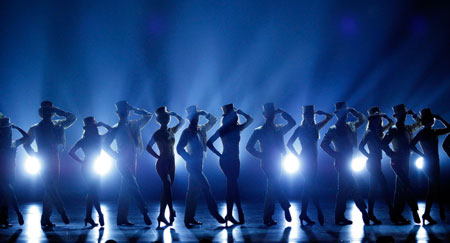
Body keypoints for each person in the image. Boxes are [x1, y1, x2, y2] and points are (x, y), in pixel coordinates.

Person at [24, 101, 75, 228]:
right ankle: (62, 211)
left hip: (55, 159)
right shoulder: (35, 128)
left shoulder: (58, 125)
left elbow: (72, 118)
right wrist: (34, 155)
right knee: (50, 187)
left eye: (50, 111)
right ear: (42, 113)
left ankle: (45, 219)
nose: (48, 113)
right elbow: (26, 144)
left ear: (52, 113)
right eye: (45, 111)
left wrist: (59, 111)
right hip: (43, 160)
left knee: (50, 189)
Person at [320, 102, 371, 225]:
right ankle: (364, 212)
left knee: (342, 191)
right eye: (342, 112)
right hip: (341, 163)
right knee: (353, 187)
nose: (345, 115)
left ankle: (339, 217)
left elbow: (363, 119)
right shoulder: (333, 129)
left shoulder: (351, 126)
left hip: (349, 161)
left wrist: (353, 111)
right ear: (337, 114)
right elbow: (323, 144)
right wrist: (335, 154)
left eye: (345, 112)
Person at [104, 100, 152, 226]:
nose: (124, 112)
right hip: (122, 161)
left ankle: (121, 219)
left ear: (128, 112)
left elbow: (148, 116)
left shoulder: (134, 124)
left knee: (126, 189)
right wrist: (116, 156)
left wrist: (134, 108)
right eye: (122, 111)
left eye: (126, 110)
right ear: (118, 113)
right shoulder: (116, 128)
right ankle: (145, 213)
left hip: (133, 159)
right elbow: (105, 145)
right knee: (133, 186)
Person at [246, 103, 295, 226]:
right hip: (267, 163)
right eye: (270, 113)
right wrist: (260, 155)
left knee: (272, 189)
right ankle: (285, 206)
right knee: (274, 185)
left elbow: (292, 123)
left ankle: (267, 218)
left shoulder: (278, 129)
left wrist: (282, 112)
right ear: (265, 115)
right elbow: (249, 147)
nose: (272, 116)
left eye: (273, 113)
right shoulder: (259, 131)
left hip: (279, 162)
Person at [176, 105, 225, 228]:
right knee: (206, 187)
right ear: (190, 119)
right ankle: (215, 214)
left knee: (193, 192)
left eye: (197, 117)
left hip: (199, 163)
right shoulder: (186, 132)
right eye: (194, 117)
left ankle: (189, 218)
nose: (196, 119)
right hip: (193, 165)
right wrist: (189, 158)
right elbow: (179, 148)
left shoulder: (201, 129)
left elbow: (213, 121)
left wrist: (204, 113)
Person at [207, 104, 254, 225]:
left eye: (235, 114)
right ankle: (239, 211)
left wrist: (242, 112)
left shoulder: (237, 128)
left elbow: (251, 120)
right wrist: (220, 155)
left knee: (231, 188)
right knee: (234, 186)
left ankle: (229, 215)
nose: (235, 116)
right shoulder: (223, 130)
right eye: (233, 114)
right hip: (227, 160)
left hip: (235, 160)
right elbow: (209, 143)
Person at [287, 105, 332, 226]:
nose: (309, 117)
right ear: (304, 116)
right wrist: (298, 156)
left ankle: (303, 214)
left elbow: (330, 117)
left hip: (313, 161)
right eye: (307, 115)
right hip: (305, 160)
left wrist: (321, 113)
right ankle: (318, 211)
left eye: (311, 115)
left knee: (307, 188)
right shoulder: (300, 129)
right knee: (311, 186)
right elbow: (289, 144)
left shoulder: (316, 128)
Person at [69, 117, 112, 227]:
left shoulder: (94, 139)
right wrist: (103, 124)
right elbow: (71, 152)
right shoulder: (94, 139)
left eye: (95, 126)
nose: (95, 128)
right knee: (93, 192)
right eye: (94, 126)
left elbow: (71, 152)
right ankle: (100, 214)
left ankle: (88, 217)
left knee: (91, 192)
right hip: (90, 166)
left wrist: (82, 161)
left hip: (92, 166)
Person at [381, 104, 421, 224]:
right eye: (401, 113)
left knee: (401, 188)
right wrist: (392, 154)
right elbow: (383, 144)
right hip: (397, 162)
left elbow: (420, 123)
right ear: (397, 115)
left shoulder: (407, 128)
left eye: (404, 113)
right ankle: (414, 210)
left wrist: (413, 114)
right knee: (406, 185)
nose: (403, 115)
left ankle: (396, 215)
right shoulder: (393, 129)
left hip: (406, 162)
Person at [146, 106, 185, 228]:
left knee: (166, 190)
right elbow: (148, 147)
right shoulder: (157, 134)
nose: (166, 118)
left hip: (172, 163)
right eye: (163, 117)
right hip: (162, 163)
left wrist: (174, 114)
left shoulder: (171, 131)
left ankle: (161, 215)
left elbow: (182, 122)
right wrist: (158, 157)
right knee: (167, 185)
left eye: (167, 116)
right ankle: (171, 210)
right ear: (159, 119)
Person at [410, 108, 450, 225]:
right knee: (434, 188)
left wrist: (440, 118)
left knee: (432, 189)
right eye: (431, 119)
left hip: (433, 162)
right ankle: (430, 213)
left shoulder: (433, 132)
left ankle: (427, 214)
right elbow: (411, 145)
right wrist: (422, 155)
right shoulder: (424, 133)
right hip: (429, 163)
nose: (433, 120)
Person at [358, 106, 394, 224]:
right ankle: (391, 212)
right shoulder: (369, 133)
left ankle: (370, 214)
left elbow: (392, 123)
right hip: (372, 163)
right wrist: (369, 156)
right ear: (371, 120)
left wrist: (385, 116)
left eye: (379, 118)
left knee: (373, 189)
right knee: (383, 186)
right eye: (376, 118)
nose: (378, 120)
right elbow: (360, 146)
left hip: (377, 162)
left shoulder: (379, 131)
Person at [0, 114, 28, 227]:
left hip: (10, 171)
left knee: (5, 195)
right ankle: (17, 213)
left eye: (7, 129)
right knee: (8, 191)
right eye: (4, 129)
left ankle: (4, 219)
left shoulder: (13, 143)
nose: (6, 131)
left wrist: (17, 128)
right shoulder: (8, 143)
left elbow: (27, 138)